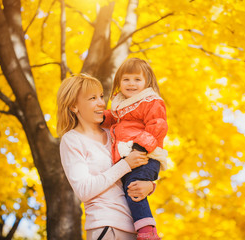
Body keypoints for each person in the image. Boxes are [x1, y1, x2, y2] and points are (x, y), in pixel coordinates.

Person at [57, 74, 156, 240]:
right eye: (92, 98)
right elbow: (84, 190)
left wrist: (150, 186)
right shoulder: (72, 140)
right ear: (74, 106)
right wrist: (125, 164)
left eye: (101, 96)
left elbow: (136, 170)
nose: (102, 103)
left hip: (137, 227)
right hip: (107, 227)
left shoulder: (114, 133)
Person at [102, 58, 168, 240]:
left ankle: (148, 232)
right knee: (131, 189)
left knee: (134, 188)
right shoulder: (122, 104)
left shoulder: (150, 102)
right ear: (119, 82)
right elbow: (114, 119)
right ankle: (142, 228)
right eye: (126, 79)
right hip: (131, 156)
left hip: (145, 155)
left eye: (137, 79)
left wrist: (140, 147)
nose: (131, 84)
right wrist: (100, 118)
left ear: (147, 82)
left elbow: (158, 125)